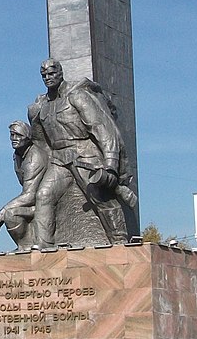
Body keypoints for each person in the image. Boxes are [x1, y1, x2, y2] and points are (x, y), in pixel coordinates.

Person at [28, 58, 130, 247]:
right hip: (59, 159)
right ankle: (44, 246)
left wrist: (110, 164)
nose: (48, 78)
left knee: (99, 197)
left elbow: (101, 128)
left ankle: (119, 239)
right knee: (43, 195)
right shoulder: (42, 105)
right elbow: (40, 140)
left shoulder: (77, 96)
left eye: (51, 73)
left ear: (61, 73)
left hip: (83, 154)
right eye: (44, 75)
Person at [0, 122, 48, 250]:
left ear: (28, 137)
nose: (14, 139)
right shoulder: (17, 154)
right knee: (10, 213)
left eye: (19, 135)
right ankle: (24, 246)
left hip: (43, 204)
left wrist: (1, 213)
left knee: (10, 214)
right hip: (32, 201)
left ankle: (27, 246)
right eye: (12, 135)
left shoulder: (34, 158)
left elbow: (30, 195)